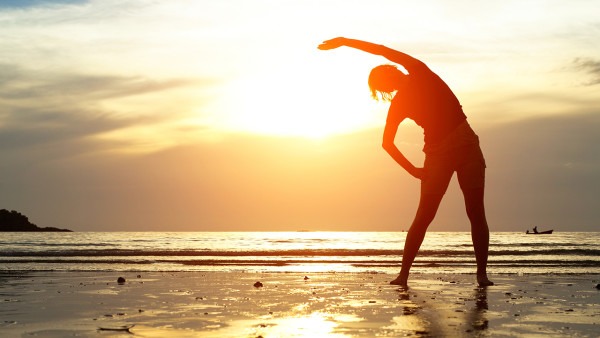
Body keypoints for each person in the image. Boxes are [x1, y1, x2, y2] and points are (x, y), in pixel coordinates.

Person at [318, 37, 493, 288]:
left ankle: (481, 275)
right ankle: (403, 275)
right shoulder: (399, 102)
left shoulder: (419, 71)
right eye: (385, 84)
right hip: (437, 154)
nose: (390, 84)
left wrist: (345, 42)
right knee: (424, 215)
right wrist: (414, 170)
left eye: (388, 78)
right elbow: (387, 142)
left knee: (475, 211)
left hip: (467, 147)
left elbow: (382, 50)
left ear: (394, 71)